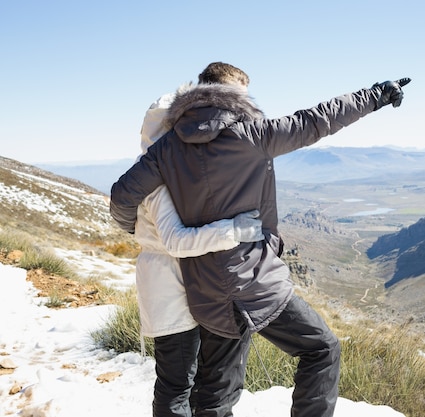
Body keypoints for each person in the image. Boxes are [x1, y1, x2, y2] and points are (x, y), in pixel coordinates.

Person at [110, 62, 409, 417]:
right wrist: (376, 95)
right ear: (234, 94)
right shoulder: (252, 134)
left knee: (215, 394)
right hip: (252, 280)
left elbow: (121, 197)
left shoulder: (166, 148)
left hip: (205, 290)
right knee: (321, 349)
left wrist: (134, 229)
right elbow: (316, 120)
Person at [135, 88, 264, 417]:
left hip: (191, 283)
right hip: (168, 283)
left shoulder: (174, 168)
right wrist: (235, 230)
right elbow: (175, 241)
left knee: (204, 381)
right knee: (176, 383)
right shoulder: (156, 174)